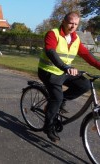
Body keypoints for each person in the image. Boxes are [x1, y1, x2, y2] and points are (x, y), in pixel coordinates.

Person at [38, 11, 100, 142]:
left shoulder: (75, 38)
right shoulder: (53, 34)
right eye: (71, 23)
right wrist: (65, 67)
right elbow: (50, 51)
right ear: (64, 22)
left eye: (76, 24)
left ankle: (59, 101)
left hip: (65, 72)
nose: (73, 26)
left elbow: (87, 55)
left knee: (85, 84)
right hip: (48, 71)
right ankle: (48, 127)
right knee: (57, 97)